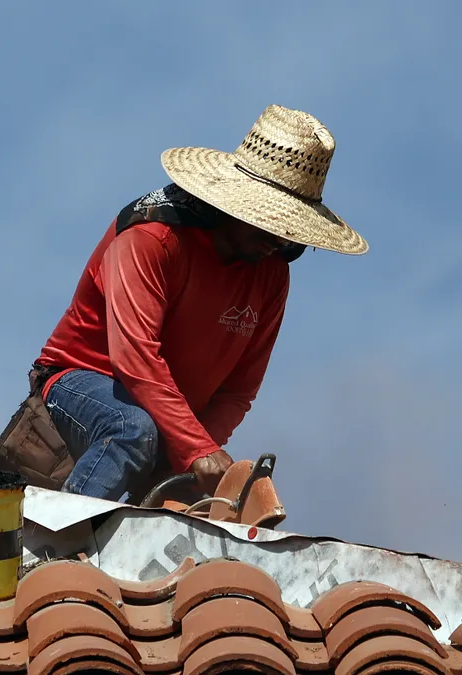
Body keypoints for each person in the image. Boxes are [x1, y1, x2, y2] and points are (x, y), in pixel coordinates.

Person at [29, 104, 367, 502]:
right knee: (131, 430)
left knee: (200, 498)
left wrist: (189, 456)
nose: (280, 240)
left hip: (164, 412)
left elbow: (237, 391)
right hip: (79, 378)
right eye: (273, 223)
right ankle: (55, 550)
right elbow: (134, 358)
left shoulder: (272, 274)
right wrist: (196, 449)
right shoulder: (152, 237)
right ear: (237, 202)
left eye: (290, 231)